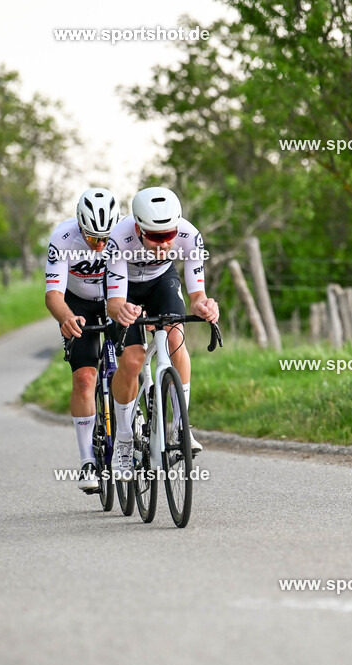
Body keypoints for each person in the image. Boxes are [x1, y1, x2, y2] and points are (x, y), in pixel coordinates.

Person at [105, 187, 219, 475]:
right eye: (155, 237)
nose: (163, 242)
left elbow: (197, 297)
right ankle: (123, 441)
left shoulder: (190, 236)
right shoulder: (119, 238)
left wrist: (206, 307)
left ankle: (182, 427)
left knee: (175, 338)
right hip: (126, 287)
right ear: (138, 228)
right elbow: (114, 302)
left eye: (169, 234)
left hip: (160, 281)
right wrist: (123, 311)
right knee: (131, 360)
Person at [44, 188, 122, 493]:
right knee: (86, 378)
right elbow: (53, 294)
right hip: (78, 304)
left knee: (132, 362)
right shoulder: (62, 238)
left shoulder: (126, 235)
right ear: (79, 225)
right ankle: (87, 459)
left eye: (105, 238)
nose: (100, 245)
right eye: (93, 239)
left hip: (117, 298)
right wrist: (66, 318)